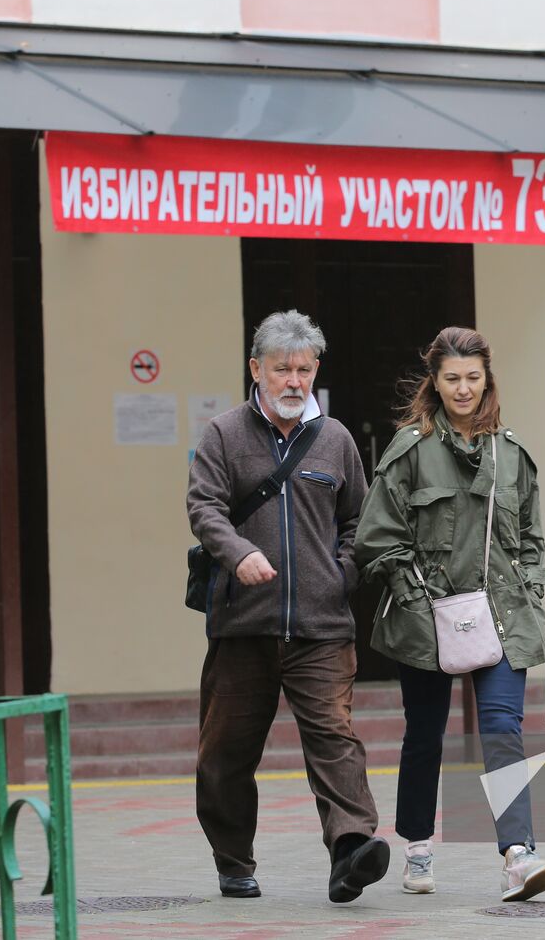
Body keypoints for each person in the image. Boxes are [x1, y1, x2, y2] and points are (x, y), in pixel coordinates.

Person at [187, 310, 389, 903]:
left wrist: (342, 572)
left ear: (315, 369)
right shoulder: (223, 434)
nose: (294, 380)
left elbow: (360, 521)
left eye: (303, 369)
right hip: (242, 625)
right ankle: (232, 859)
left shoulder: (337, 440)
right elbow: (204, 509)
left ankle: (351, 851)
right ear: (257, 369)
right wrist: (237, 552)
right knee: (224, 752)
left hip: (322, 627)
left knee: (334, 737)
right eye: (282, 369)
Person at [354, 326, 545, 902]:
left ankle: (518, 855)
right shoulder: (410, 451)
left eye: (473, 378)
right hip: (427, 615)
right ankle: (417, 845)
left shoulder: (511, 455)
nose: (463, 389)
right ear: (435, 382)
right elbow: (376, 537)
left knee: (502, 729)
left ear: (487, 379)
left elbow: (533, 542)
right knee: (425, 735)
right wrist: (413, 595)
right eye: (452, 379)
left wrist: (532, 593)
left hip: (502, 612)